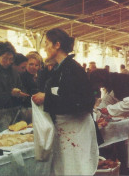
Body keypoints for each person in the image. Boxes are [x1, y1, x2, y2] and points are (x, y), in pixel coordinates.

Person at [32, 28, 99, 175]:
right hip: (65, 130)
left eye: (47, 43)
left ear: (57, 45)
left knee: (75, 170)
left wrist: (46, 97)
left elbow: (83, 101)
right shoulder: (59, 69)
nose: (44, 47)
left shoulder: (73, 69)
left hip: (76, 130)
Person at [90, 69, 129, 174]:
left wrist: (109, 110)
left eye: (100, 85)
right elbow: (110, 98)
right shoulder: (115, 79)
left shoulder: (117, 81)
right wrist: (101, 110)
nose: (100, 87)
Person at [0, 41, 29, 110]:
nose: (8, 62)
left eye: (11, 59)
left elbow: (21, 87)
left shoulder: (14, 72)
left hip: (12, 110)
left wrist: (21, 93)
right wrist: (10, 93)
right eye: (4, 58)